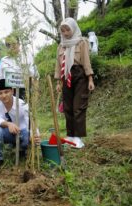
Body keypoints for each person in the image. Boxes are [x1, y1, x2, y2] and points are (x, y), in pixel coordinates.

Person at [55, 17, 95, 149]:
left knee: (78, 106)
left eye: (68, 29)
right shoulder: (61, 46)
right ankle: (70, 135)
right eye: (63, 30)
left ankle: (78, 137)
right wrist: (59, 82)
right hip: (66, 76)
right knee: (67, 107)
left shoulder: (82, 42)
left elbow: (86, 61)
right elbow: (58, 65)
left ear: (73, 28)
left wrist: (90, 79)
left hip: (80, 76)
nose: (65, 33)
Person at [0, 79, 29, 170]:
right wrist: (9, 124)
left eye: (6, 92)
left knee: (27, 138)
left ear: (12, 91)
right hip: (6, 131)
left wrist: (35, 135)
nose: (3, 95)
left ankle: (21, 149)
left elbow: (30, 121)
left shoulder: (22, 104)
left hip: (22, 131)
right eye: (0, 93)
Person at [0, 34, 39, 100]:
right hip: (8, 95)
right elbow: (0, 80)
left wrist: (35, 96)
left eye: (13, 44)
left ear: (19, 44)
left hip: (26, 93)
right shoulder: (4, 60)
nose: (11, 46)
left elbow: (36, 77)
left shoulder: (27, 57)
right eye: (8, 45)